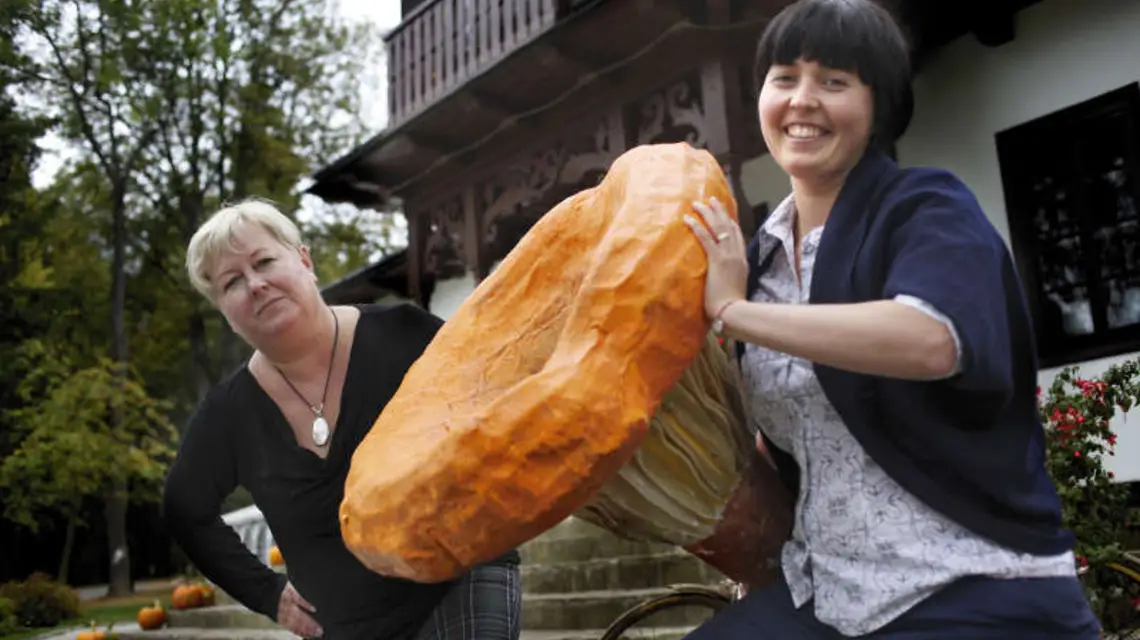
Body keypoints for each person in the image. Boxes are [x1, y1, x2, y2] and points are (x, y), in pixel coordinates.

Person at [682, 0, 1099, 637]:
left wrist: (734, 314)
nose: (803, 100)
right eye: (784, 77)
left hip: (968, 579)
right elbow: (787, 426)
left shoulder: (926, 208)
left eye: (835, 81)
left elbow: (930, 339)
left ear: (879, 106)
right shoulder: (755, 255)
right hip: (828, 593)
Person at [163, 199, 522, 640]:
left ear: (304, 261)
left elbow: (497, 397)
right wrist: (266, 592)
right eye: (232, 282)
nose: (255, 284)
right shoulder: (227, 416)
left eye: (264, 261)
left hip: (460, 580)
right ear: (224, 310)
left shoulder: (404, 335)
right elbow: (185, 510)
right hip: (345, 628)